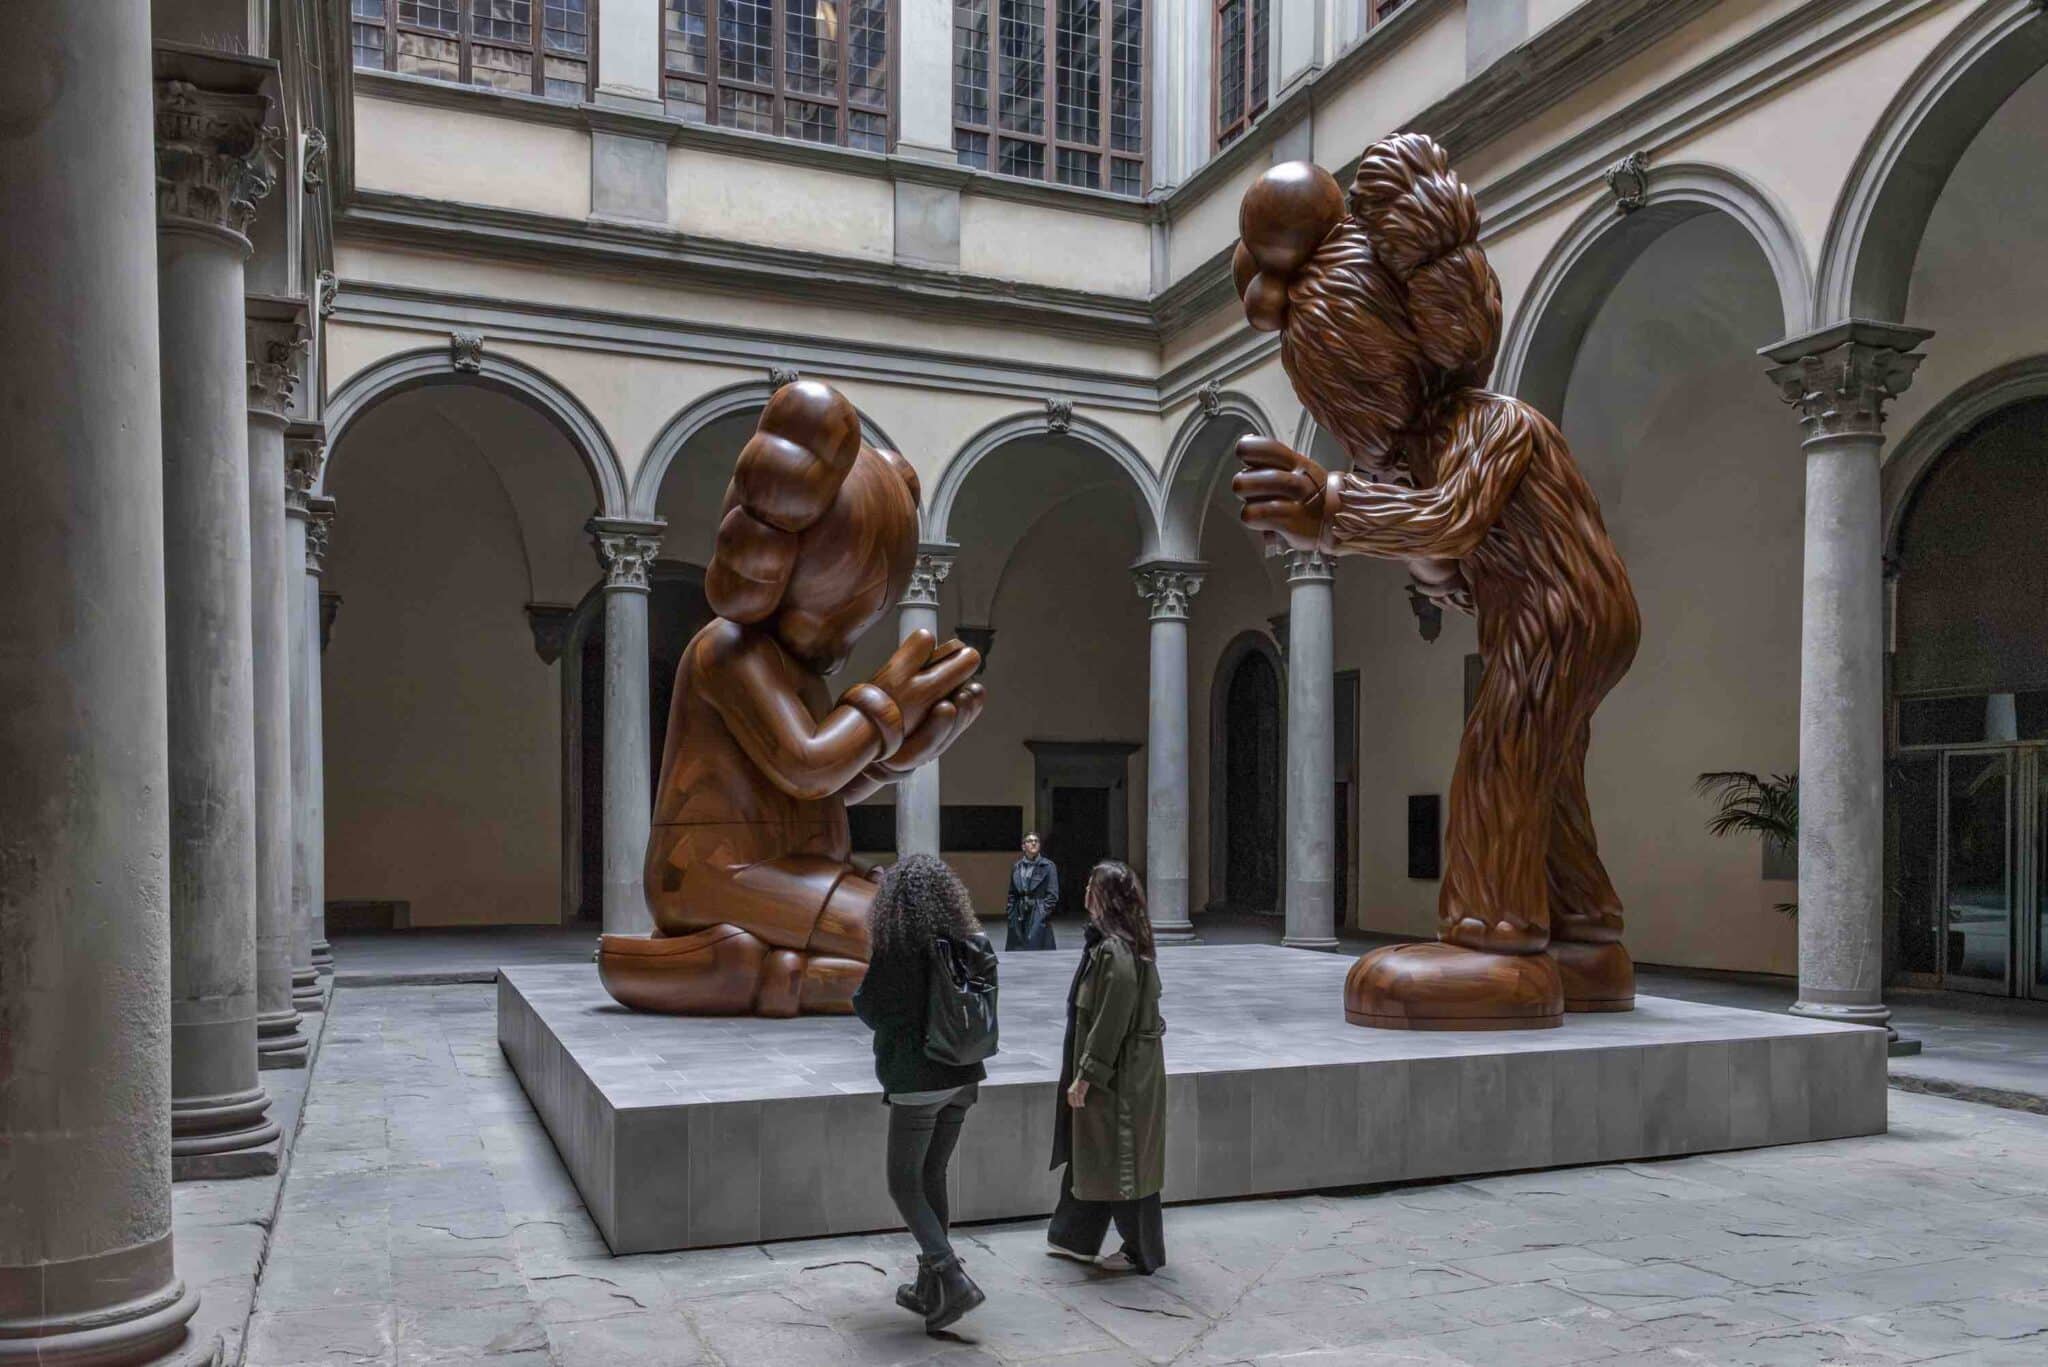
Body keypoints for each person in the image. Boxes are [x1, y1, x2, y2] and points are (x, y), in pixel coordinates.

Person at [851, 854, 992, 1332]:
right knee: (933, 1174)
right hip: (964, 1075)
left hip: (919, 1079)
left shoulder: (900, 947)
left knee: (903, 1182)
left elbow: (873, 1008)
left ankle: (952, 1278)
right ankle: (930, 1290)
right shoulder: (968, 940)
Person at [1046, 860, 1167, 1274]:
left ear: (1106, 897)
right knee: (1096, 1151)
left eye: (1091, 886)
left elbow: (1110, 1022)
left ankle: (1141, 1251)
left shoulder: (1116, 951)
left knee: (1122, 1160)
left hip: (1121, 1079)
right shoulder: (1116, 943)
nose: (1084, 892)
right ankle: (1074, 1238)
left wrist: (1086, 1075)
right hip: (1122, 1074)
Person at [1005, 831, 1059, 951]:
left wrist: (1042, 912)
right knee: (1017, 951)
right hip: (1019, 913)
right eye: (1030, 841)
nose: (1033, 843)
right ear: (1023, 846)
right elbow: (1012, 893)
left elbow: (1053, 895)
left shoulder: (1048, 866)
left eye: (1036, 841)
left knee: (1037, 950)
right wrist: (1011, 913)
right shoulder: (1017, 867)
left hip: (1038, 913)